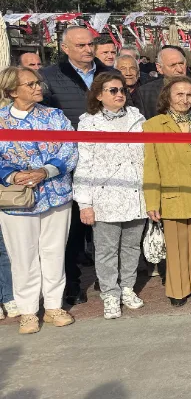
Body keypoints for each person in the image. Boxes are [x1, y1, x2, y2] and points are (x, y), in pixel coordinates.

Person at [40, 26, 117, 305]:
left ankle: (108, 280)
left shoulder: (110, 74)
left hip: (107, 162)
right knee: (72, 230)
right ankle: (71, 283)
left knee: (106, 226)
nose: (87, 49)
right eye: (81, 45)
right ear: (65, 48)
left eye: (90, 44)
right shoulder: (48, 77)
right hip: (68, 162)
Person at [0, 66, 78, 334]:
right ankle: (28, 311)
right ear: (12, 91)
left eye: (38, 83)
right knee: (23, 256)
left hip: (55, 194)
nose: (38, 88)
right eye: (30, 84)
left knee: (54, 252)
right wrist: (12, 175)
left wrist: (46, 171)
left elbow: (70, 147)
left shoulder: (54, 116)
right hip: (17, 199)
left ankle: (54, 306)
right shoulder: (1, 120)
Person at [143, 77, 191, 306]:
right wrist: (152, 202)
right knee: (176, 248)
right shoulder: (153, 125)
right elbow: (151, 166)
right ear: (167, 97)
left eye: (189, 95)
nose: (185, 99)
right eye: (179, 94)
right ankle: (178, 290)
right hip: (173, 195)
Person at [74, 73, 147, 319]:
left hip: (136, 193)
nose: (119, 94)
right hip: (105, 196)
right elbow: (84, 164)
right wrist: (85, 203)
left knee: (131, 247)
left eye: (122, 90)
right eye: (113, 90)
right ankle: (110, 293)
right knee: (106, 250)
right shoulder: (88, 123)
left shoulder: (137, 118)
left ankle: (127, 287)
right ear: (98, 95)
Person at [136, 46, 191, 120]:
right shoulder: (144, 93)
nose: (179, 69)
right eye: (173, 65)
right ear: (159, 68)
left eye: (181, 64)